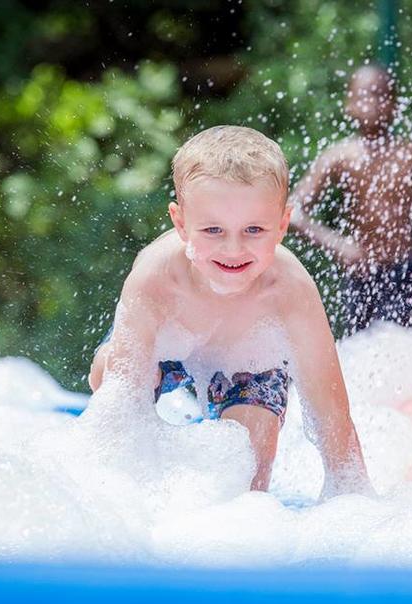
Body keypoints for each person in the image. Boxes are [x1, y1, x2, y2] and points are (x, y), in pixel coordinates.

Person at [89, 125, 374, 498]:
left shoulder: (290, 291)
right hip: (167, 347)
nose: (234, 249)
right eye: (212, 230)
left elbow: (332, 415)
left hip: (251, 363)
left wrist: (354, 496)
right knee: (110, 373)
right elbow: (119, 408)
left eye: (254, 229)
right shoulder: (156, 278)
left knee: (245, 491)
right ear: (180, 224)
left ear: (282, 226)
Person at [288, 64, 412, 334]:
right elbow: (292, 213)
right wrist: (336, 243)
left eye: (380, 95)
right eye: (362, 95)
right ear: (349, 104)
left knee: (401, 351)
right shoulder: (339, 157)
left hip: (403, 274)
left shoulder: (411, 155)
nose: (371, 103)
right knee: (360, 353)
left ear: (394, 105)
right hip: (360, 275)